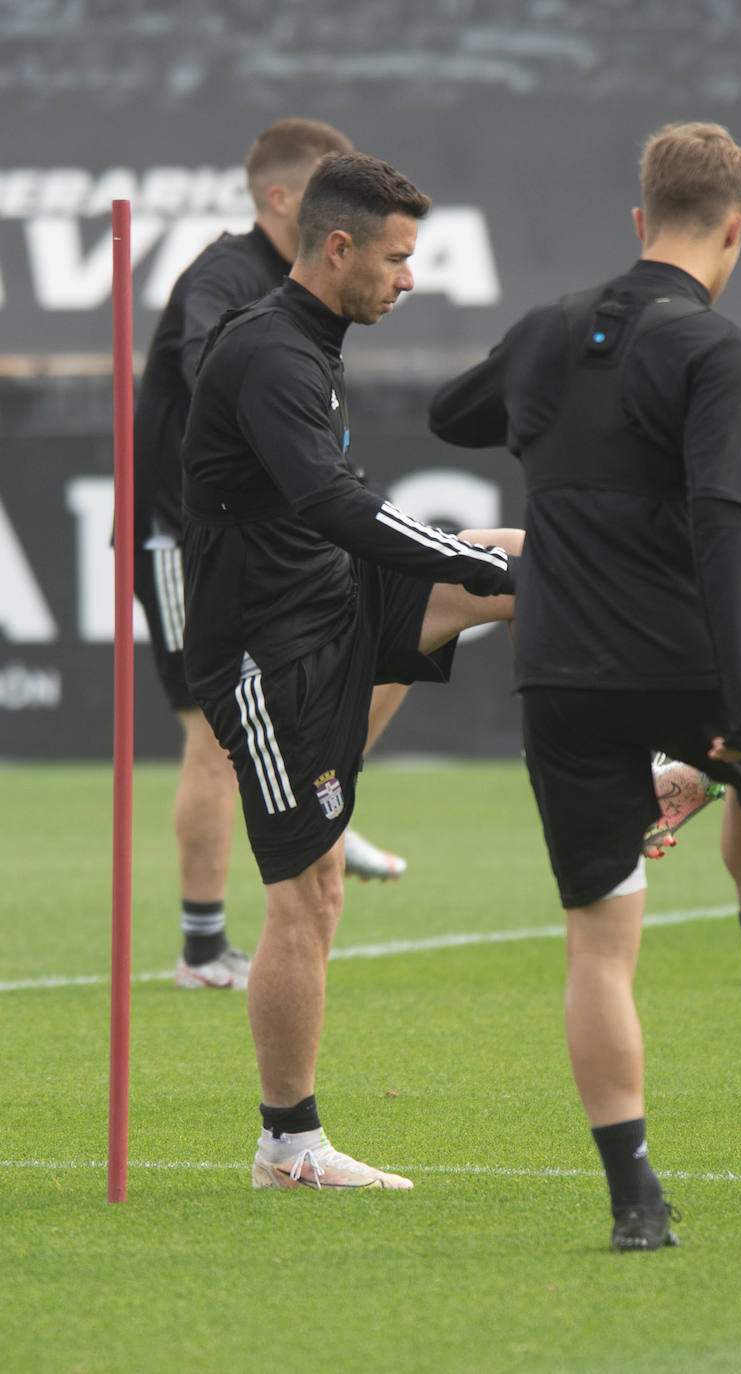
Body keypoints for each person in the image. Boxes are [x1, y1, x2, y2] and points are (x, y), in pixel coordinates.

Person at [428, 122, 741, 1250]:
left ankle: (636, 1204)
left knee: (597, 941)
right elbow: (729, 527)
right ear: (738, 230)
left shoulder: (545, 330)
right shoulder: (720, 353)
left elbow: (450, 417)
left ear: (638, 220)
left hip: (562, 667)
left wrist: (544, 388)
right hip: (681, 649)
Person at [181, 151, 523, 1190]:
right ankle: (288, 1149)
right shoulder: (272, 354)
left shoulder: (313, 343)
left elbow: (330, 506)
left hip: (332, 600)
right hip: (266, 655)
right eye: (397, 257)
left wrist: (473, 556)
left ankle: (649, 756)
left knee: (532, 563)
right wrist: (453, 554)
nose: (409, 278)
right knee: (311, 891)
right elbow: (333, 503)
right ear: (338, 248)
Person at [133, 119, 409, 993]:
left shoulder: (310, 304)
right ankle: (203, 945)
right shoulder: (229, 277)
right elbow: (205, 358)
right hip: (182, 539)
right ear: (285, 201)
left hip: (265, 550)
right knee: (212, 743)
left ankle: (321, 775)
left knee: (402, 619)